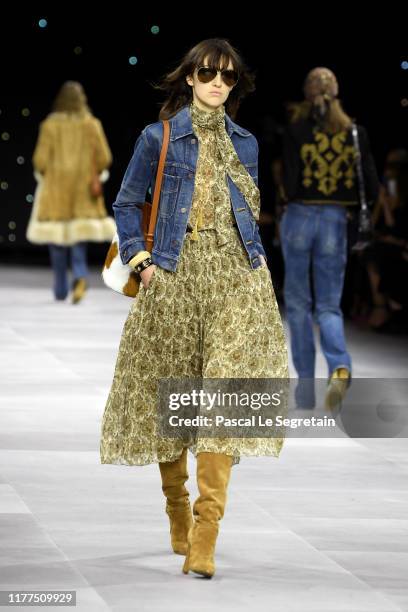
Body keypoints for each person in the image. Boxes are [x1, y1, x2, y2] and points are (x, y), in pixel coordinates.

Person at [100, 38, 289, 578]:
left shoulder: (247, 142)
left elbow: (247, 213)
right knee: (175, 398)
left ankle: (207, 533)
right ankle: (178, 511)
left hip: (237, 278)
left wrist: (259, 268)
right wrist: (141, 260)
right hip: (175, 279)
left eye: (227, 78)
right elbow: (126, 201)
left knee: (225, 400)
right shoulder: (157, 138)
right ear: (189, 77)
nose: (217, 83)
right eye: (208, 73)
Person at [281, 67, 379, 410]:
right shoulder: (354, 132)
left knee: (297, 304)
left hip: (299, 218)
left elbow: (290, 185)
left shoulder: (296, 130)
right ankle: (339, 365)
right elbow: (371, 183)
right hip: (335, 220)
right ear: (336, 92)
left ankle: (305, 388)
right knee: (328, 305)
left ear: (307, 93)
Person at [26, 81, 114, 303]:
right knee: (78, 239)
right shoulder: (92, 124)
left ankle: (60, 289)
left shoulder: (50, 125)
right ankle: (81, 276)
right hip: (82, 190)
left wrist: (50, 172)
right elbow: (105, 158)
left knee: (56, 239)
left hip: (55, 190)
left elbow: (40, 160)